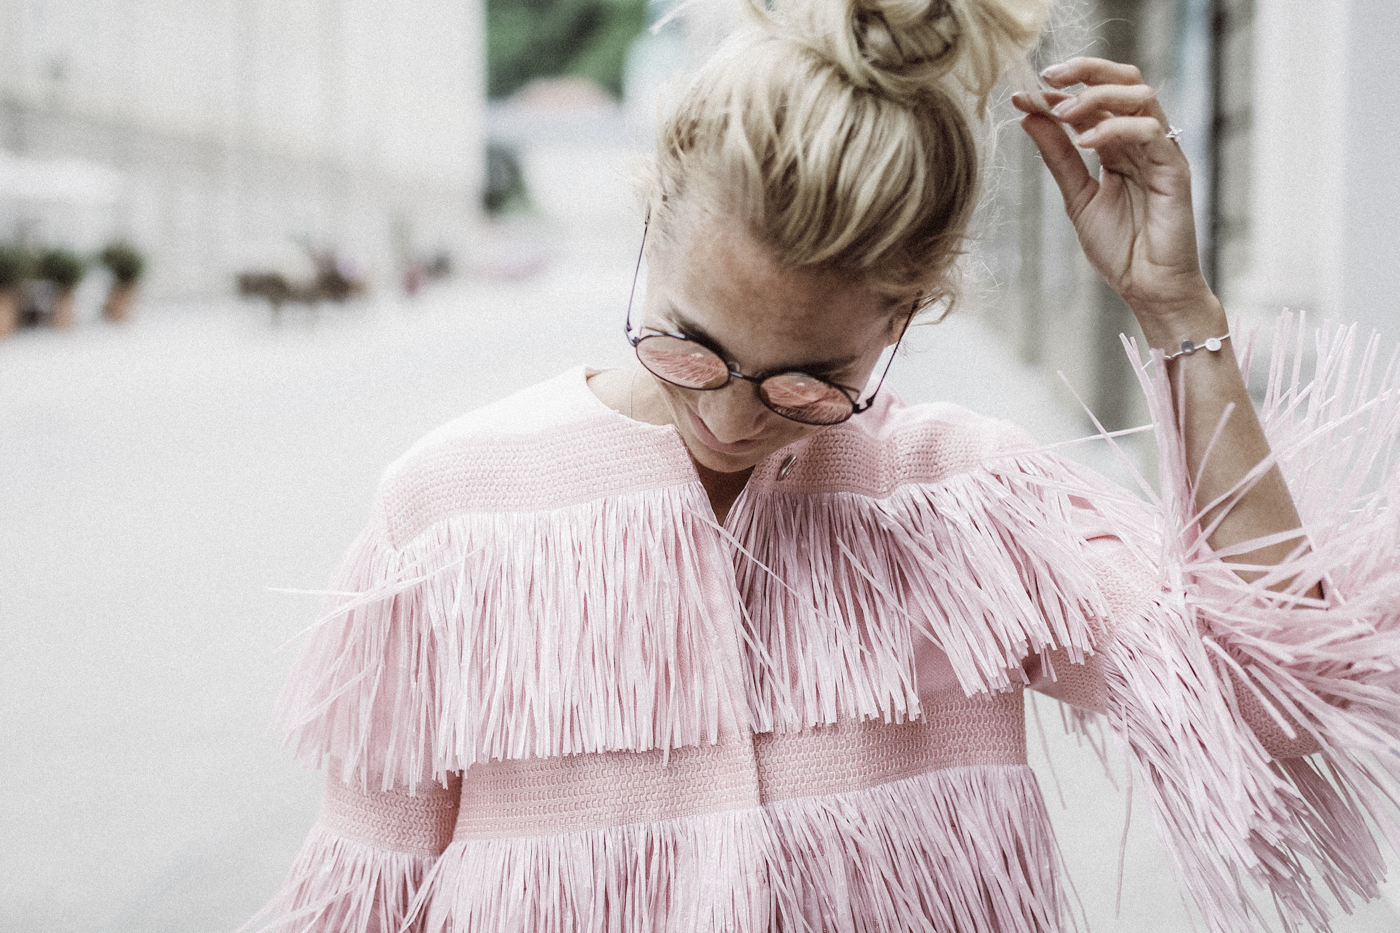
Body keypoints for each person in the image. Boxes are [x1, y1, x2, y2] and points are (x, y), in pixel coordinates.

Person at [246, 0, 1400, 930]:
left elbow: (1276, 703)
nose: (736, 422)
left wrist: (1175, 311)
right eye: (688, 345)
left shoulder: (965, 505)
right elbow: (365, 898)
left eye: (808, 380)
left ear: (906, 313)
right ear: (651, 221)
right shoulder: (451, 508)